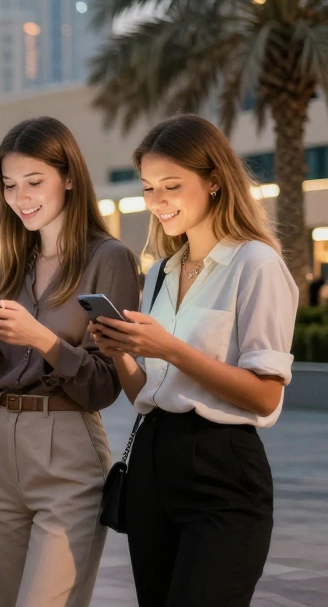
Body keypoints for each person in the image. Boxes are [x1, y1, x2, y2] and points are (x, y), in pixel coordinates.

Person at [92, 114, 296, 606]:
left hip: (222, 468)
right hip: (152, 465)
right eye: (148, 188)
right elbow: (146, 394)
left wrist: (171, 349)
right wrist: (120, 353)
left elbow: (266, 393)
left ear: (214, 182)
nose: (157, 202)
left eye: (171, 186)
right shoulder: (162, 270)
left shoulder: (256, 263)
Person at [0, 116, 140, 607]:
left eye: (34, 182)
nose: (21, 198)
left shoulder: (110, 258)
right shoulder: (5, 260)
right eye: (9, 186)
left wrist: (41, 339)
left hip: (68, 447)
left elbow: (105, 385)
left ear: (68, 177)